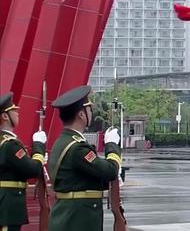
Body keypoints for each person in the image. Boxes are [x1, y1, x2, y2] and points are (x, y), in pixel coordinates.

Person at [47, 85, 121, 231]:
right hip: (77, 220)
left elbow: (80, 179)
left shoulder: (64, 141)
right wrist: (112, 145)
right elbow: (110, 171)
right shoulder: (77, 148)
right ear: (81, 114)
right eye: (89, 109)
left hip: (69, 216)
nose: (91, 113)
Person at [0, 92, 47, 231]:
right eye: (13, 111)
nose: (17, 113)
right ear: (5, 116)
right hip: (7, 207)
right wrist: (38, 146)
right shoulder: (9, 145)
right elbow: (32, 170)